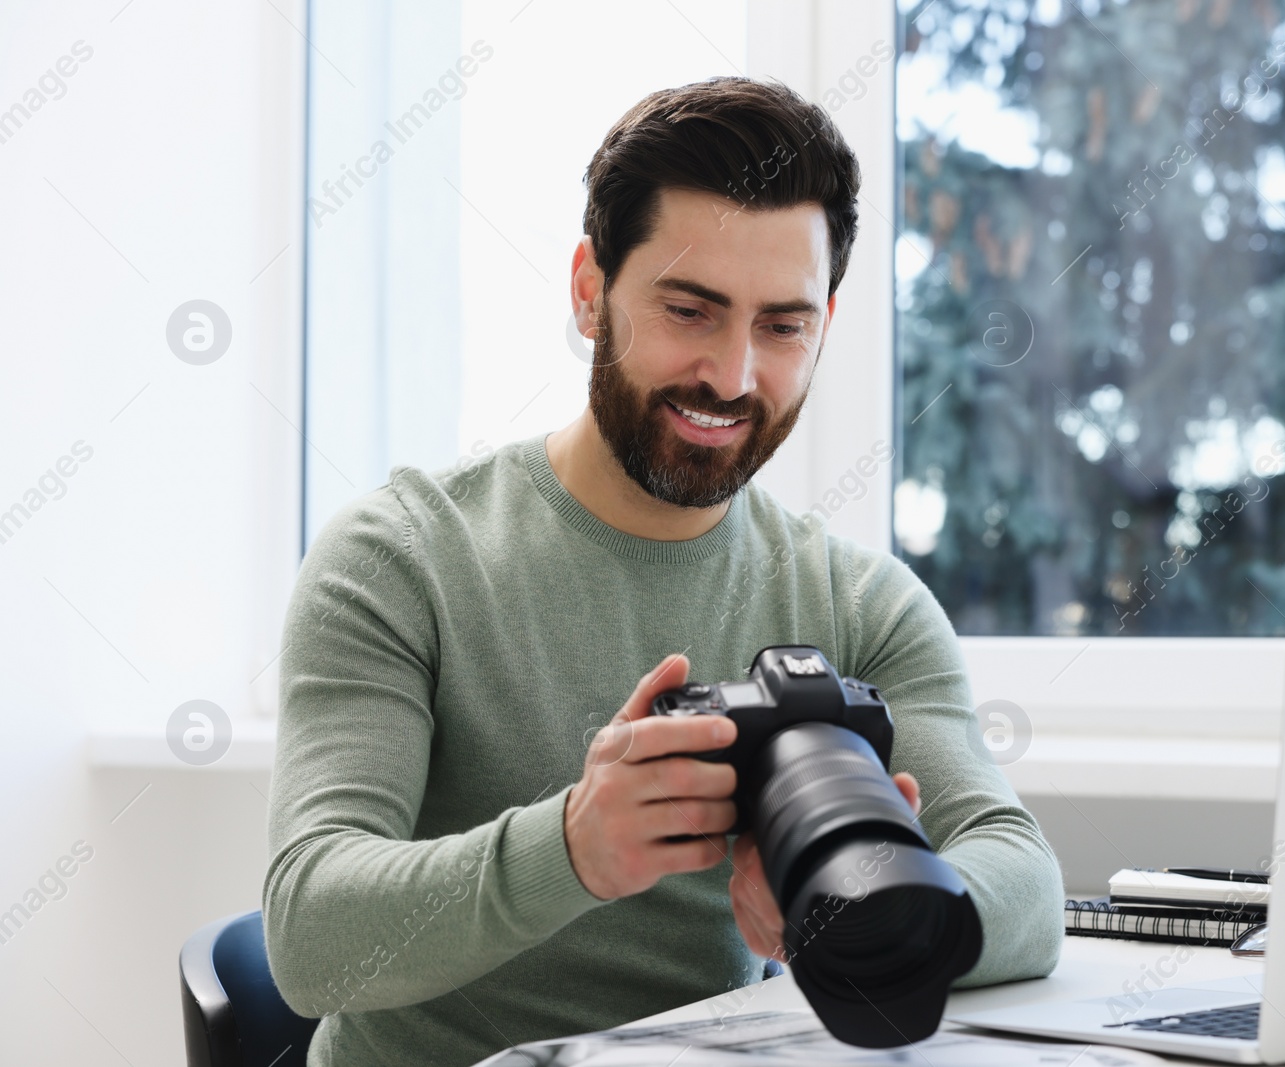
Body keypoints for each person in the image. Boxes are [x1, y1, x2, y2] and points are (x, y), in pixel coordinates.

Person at [263, 75, 1064, 1067]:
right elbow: (309, 938)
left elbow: (1024, 882)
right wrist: (572, 848)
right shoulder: (402, 557)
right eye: (690, 309)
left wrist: (855, 907)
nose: (731, 377)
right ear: (590, 290)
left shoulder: (862, 603)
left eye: (783, 325)